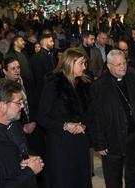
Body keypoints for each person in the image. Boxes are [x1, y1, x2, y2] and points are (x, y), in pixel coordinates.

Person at [90, 49, 135, 188]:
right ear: (109, 66)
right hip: (112, 140)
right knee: (113, 178)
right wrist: (99, 143)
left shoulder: (134, 78)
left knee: (134, 176)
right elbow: (95, 117)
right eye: (118, 64)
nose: (123, 66)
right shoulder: (99, 87)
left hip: (134, 138)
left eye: (124, 63)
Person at [37, 48, 93, 188]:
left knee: (82, 178)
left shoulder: (84, 83)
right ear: (70, 63)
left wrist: (84, 125)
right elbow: (42, 117)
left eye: (85, 63)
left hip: (80, 141)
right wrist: (65, 126)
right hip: (60, 143)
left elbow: (90, 112)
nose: (84, 67)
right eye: (81, 63)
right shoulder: (53, 84)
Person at [0, 79, 44, 188]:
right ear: (2, 106)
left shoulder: (15, 124)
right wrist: (30, 171)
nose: (22, 106)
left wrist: (31, 158)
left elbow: (24, 150)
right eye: (19, 102)